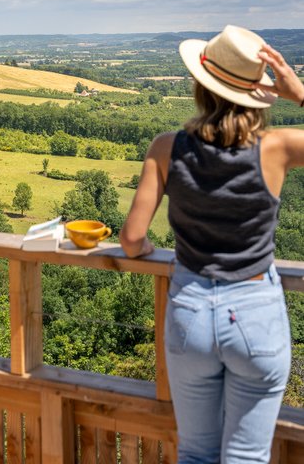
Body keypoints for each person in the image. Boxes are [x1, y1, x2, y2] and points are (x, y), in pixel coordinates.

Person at [119, 25, 304, 464]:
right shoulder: (276, 148)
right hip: (256, 313)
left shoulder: (167, 148)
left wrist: (146, 251)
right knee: (246, 455)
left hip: (192, 313)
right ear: (256, 93)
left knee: (197, 452)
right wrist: (298, 92)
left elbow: (131, 239)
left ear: (200, 86)